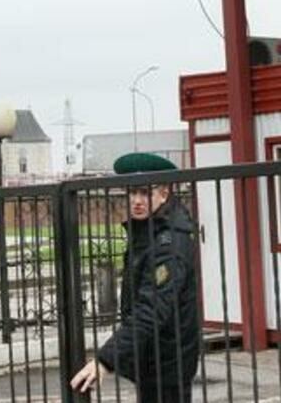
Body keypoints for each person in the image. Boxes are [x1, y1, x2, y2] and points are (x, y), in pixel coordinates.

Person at [71, 152, 199, 402]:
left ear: (164, 194)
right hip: (153, 358)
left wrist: (106, 360)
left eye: (145, 193)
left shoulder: (169, 243)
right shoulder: (149, 231)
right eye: (132, 192)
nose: (137, 200)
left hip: (168, 363)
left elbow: (152, 308)